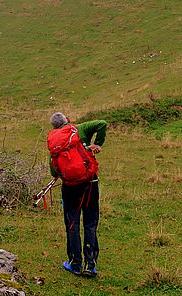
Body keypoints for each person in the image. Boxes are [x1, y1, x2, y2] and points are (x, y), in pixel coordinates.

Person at [47, 112, 107, 278]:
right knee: (90, 223)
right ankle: (90, 265)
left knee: (72, 225)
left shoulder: (53, 141)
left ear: (54, 126)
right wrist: (98, 144)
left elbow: (54, 170)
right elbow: (102, 122)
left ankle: (75, 264)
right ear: (67, 120)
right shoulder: (80, 128)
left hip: (70, 188)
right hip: (90, 184)